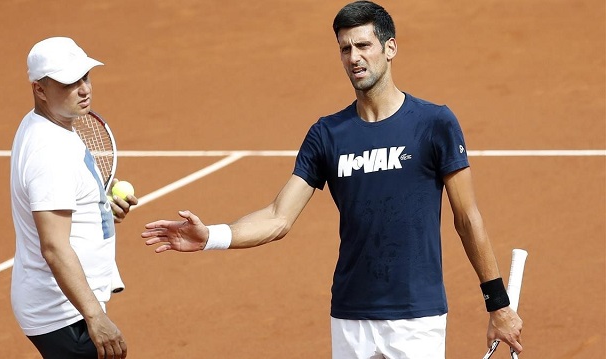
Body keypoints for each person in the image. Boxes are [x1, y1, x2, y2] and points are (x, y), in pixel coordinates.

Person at [140, 1, 523, 358]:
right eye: (345, 49)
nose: (354, 58)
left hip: (415, 316)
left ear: (390, 48)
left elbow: (467, 218)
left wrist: (498, 304)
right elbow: (278, 216)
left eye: (363, 45)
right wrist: (212, 237)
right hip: (350, 314)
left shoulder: (434, 123)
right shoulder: (327, 134)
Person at [10, 37, 137, 359]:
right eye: (69, 82)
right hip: (63, 313)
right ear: (40, 89)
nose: (84, 89)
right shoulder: (50, 152)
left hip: (66, 305)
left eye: (85, 77)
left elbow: (63, 204)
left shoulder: (50, 126)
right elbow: (53, 246)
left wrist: (99, 210)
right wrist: (95, 316)